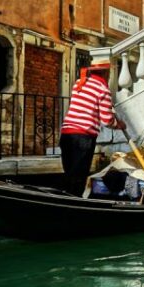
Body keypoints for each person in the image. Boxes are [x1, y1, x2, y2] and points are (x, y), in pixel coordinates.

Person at [60, 60, 125, 196]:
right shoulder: (103, 89)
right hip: (83, 137)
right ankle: (73, 207)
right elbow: (107, 120)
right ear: (105, 72)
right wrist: (119, 125)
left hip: (66, 134)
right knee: (78, 178)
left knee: (70, 174)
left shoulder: (79, 83)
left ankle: (67, 203)